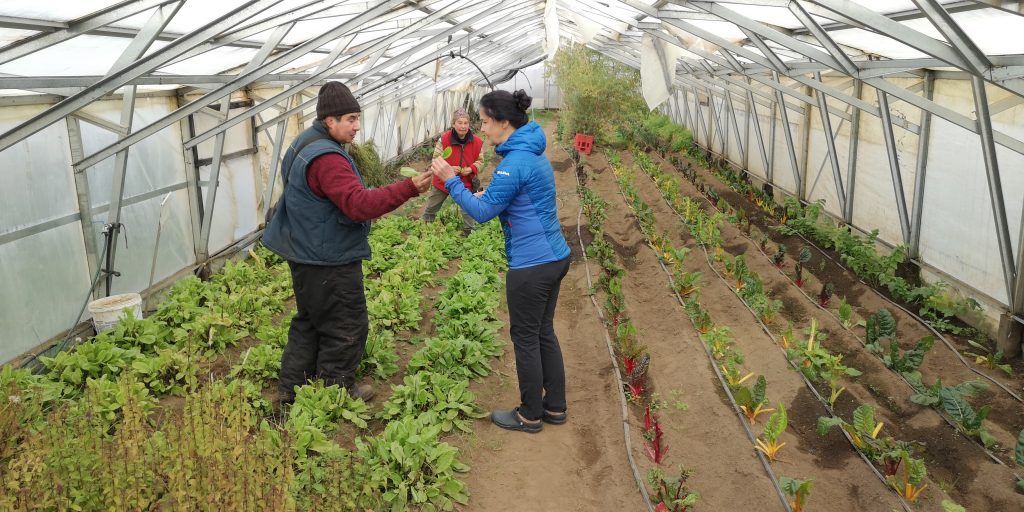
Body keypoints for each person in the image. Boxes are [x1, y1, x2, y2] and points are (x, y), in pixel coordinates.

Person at [263, 81, 433, 405]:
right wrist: (409, 188)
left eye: (358, 118)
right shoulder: (328, 158)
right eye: (351, 119)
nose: (357, 126)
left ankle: (291, 387)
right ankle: (336, 387)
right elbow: (358, 205)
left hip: (304, 251)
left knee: (310, 319)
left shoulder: (304, 142)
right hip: (328, 257)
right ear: (330, 120)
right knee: (346, 323)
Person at [430, 89, 570, 433]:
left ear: (504, 122)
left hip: (531, 264)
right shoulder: (531, 153)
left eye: (485, 121)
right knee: (543, 332)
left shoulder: (515, 162)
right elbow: (510, 199)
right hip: (554, 256)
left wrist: (451, 181)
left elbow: (481, 213)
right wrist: (487, 195)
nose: (481, 127)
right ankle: (555, 407)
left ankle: (530, 414)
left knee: (525, 337)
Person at [421, 107, 484, 235]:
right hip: (443, 181)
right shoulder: (444, 140)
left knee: (468, 208)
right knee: (432, 206)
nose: (463, 126)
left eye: (466, 123)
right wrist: (448, 169)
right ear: (453, 124)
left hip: (465, 182)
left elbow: (481, 161)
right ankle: (425, 229)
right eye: (459, 123)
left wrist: (471, 168)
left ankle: (469, 233)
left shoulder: (476, 142)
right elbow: (435, 160)